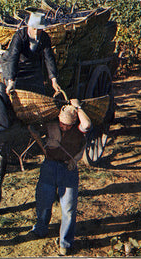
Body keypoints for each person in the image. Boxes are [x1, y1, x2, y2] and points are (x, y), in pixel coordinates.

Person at [28, 99, 92, 256]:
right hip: (49, 166)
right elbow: (32, 125)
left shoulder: (79, 128)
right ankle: (41, 229)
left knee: (68, 208)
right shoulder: (50, 124)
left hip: (68, 170)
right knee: (44, 201)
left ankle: (65, 242)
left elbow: (88, 125)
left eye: (68, 125)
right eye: (62, 124)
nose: (65, 127)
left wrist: (77, 107)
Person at [0, 11, 61, 95]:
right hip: (16, 65)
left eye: (39, 29)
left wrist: (54, 80)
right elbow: (13, 57)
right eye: (34, 29)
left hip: (31, 64)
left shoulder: (44, 37)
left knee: (39, 91)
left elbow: (49, 57)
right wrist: (11, 81)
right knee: (15, 92)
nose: (36, 32)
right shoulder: (20, 36)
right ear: (29, 26)